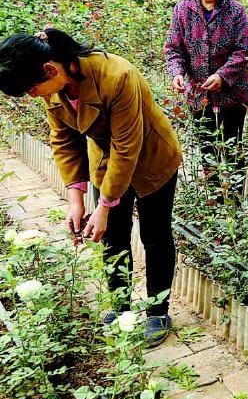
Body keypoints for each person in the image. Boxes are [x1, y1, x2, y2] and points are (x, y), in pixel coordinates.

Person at [0, 28, 182, 347]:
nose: (35, 96)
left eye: (32, 89)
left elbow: (127, 148)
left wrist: (103, 206)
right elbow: (64, 141)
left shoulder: (117, 75)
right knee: (112, 236)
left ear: (50, 70)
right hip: (106, 161)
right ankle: (121, 307)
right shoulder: (54, 90)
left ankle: (158, 310)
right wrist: (76, 199)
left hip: (151, 158)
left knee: (154, 235)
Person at [164, 0, 248, 203]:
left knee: (233, 145)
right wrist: (177, 73)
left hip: (232, 93)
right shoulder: (183, 9)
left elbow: (243, 48)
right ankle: (215, 201)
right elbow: (173, 48)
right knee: (207, 147)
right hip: (199, 93)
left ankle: (234, 203)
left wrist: (222, 76)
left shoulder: (235, 10)